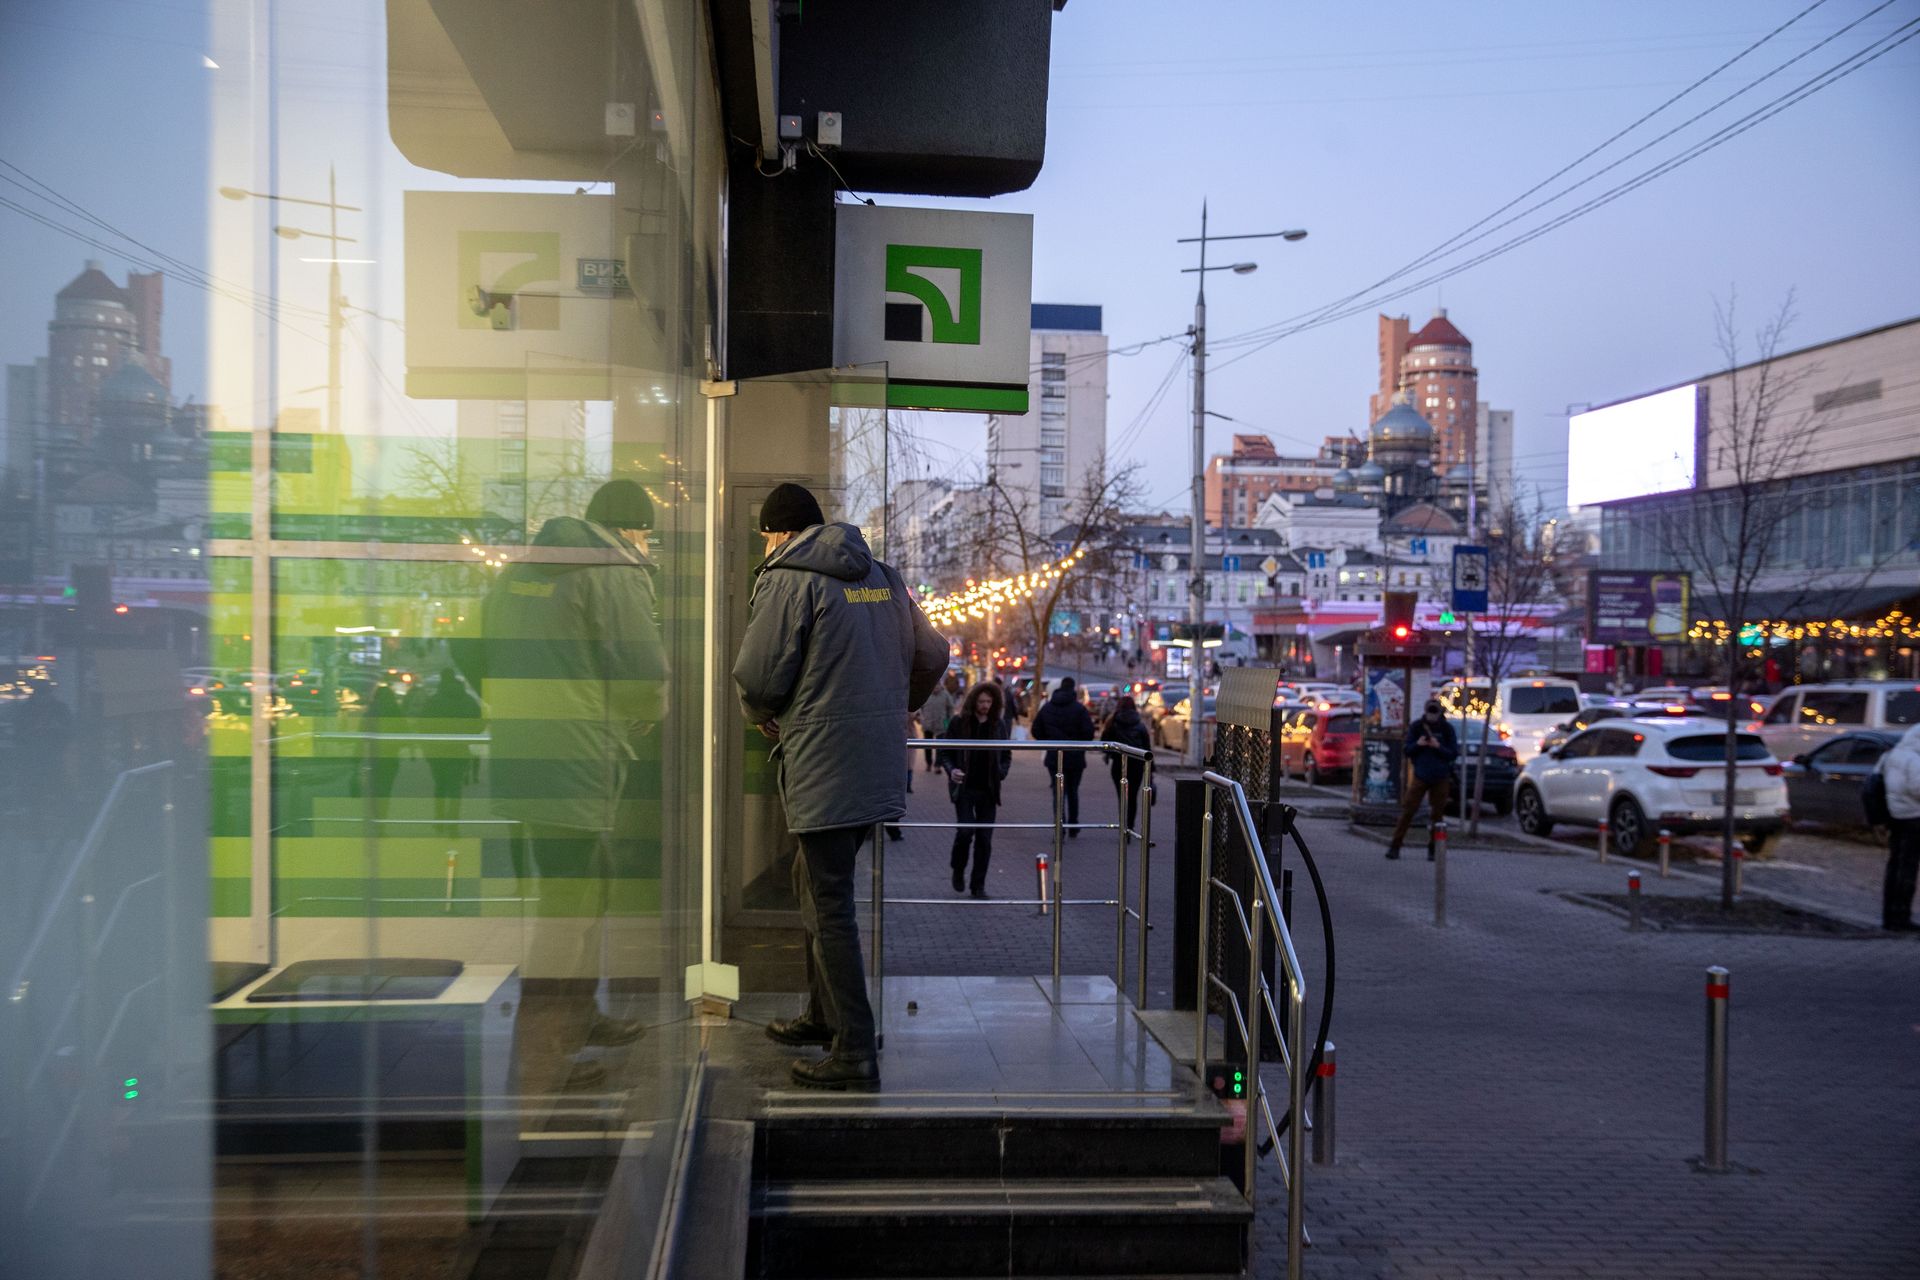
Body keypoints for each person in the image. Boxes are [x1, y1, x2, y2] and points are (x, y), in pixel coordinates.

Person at [734, 482, 947, 1091]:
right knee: (815, 883)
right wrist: (893, 707)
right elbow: (933, 653)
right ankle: (822, 1017)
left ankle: (853, 1047)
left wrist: (762, 713)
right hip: (873, 760)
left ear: (777, 533)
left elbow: (757, 673)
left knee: (829, 904)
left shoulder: (788, 578)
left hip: (823, 760)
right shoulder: (882, 575)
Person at [462, 478, 667, 1090]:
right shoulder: (611, 571)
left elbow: (472, 653)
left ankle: (578, 1019)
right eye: (644, 531)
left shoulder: (519, 572)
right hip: (575, 759)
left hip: (523, 759)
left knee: (584, 892)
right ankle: (545, 1054)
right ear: (630, 528)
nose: (644, 542)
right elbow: (643, 671)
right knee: (566, 911)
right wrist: (641, 713)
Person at [939, 683, 1012, 898]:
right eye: (981, 702)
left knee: (984, 839)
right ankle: (958, 869)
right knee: (965, 832)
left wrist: (1001, 772)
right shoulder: (959, 722)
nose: (985, 706)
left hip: (988, 789)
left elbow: (1007, 754)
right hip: (964, 788)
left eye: (989, 702)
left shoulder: (997, 725)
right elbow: (945, 752)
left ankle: (978, 885)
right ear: (973, 701)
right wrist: (952, 771)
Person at [1386, 700, 1458, 861]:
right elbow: (1407, 750)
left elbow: (1453, 753)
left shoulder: (1446, 729)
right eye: (1430, 712)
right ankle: (1395, 846)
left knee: (1437, 815)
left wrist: (1438, 747)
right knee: (1408, 811)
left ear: (1440, 713)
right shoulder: (1417, 727)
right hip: (1421, 775)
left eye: (1435, 712)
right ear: (1425, 711)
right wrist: (1418, 744)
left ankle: (1433, 848)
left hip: (1440, 776)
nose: (1432, 715)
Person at [1031, 676, 1096, 838]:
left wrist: (1048, 742)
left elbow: (1036, 730)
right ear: (1073, 689)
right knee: (1073, 791)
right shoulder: (1079, 709)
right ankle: (1073, 825)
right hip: (1075, 758)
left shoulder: (1047, 708)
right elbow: (1089, 733)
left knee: (1057, 793)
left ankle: (1059, 827)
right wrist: (1079, 745)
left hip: (1054, 756)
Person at [1876, 722, 1920, 932]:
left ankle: (1890, 916)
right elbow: (1917, 788)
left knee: (1895, 866)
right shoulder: (1913, 759)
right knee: (1907, 869)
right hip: (1913, 816)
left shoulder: (1893, 756)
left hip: (1896, 816)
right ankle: (1901, 918)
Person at [1101, 694, 1153, 834]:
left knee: (1122, 796)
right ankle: (1130, 827)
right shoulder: (1140, 725)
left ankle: (1123, 825)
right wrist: (1151, 771)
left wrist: (1111, 755)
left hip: (1118, 765)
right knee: (1133, 797)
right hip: (1137, 766)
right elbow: (1147, 749)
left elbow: (1104, 741)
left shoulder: (1112, 722)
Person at [918, 672, 960, 770]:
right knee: (927, 746)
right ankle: (928, 763)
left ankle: (938, 765)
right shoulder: (925, 693)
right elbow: (919, 707)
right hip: (927, 724)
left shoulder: (945, 694)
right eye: (933, 685)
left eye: (937, 685)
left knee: (940, 747)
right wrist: (921, 718)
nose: (935, 687)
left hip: (941, 724)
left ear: (940, 684)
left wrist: (948, 722)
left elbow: (951, 708)